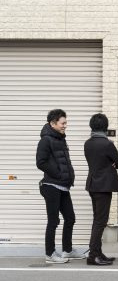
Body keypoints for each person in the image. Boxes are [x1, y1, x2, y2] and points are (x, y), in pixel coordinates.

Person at [36, 109, 86, 264]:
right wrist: (57, 174)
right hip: (51, 185)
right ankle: (50, 254)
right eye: (63, 123)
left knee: (70, 218)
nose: (66, 125)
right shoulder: (46, 140)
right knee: (53, 221)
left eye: (66, 122)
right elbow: (41, 162)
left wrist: (66, 177)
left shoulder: (60, 138)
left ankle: (67, 250)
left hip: (62, 186)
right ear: (53, 123)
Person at [84, 113, 118, 266]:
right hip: (104, 186)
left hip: (93, 185)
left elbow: (95, 162)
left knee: (97, 220)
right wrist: (111, 164)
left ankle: (98, 253)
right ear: (105, 127)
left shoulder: (87, 143)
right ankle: (93, 255)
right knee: (100, 221)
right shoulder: (107, 144)